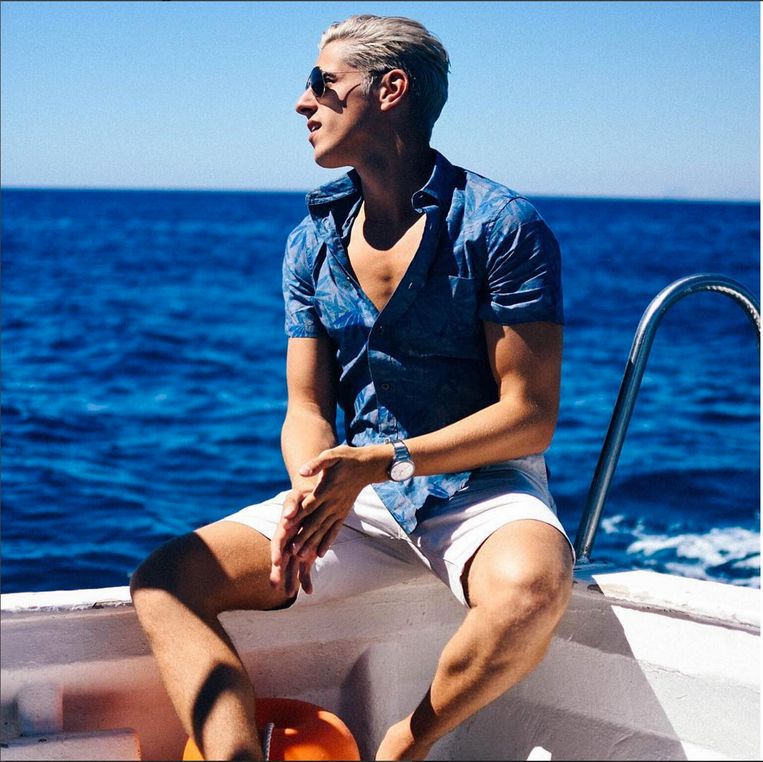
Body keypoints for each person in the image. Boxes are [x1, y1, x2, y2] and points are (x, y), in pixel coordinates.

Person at [130, 13, 575, 761]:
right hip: (355, 495)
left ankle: (403, 745)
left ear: (390, 89)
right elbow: (306, 407)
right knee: (166, 580)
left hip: (479, 488)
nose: (302, 102)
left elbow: (527, 417)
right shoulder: (312, 241)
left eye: (323, 83)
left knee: (531, 589)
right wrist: (313, 489)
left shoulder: (500, 226)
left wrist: (381, 462)